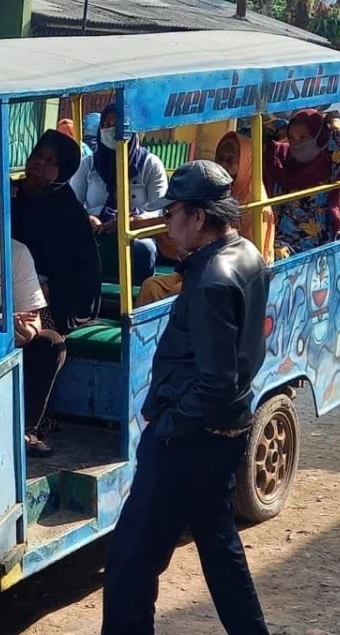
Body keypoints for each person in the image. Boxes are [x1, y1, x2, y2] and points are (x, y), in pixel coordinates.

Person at [102, 160, 272, 635]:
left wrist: (167, 425)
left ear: (198, 217)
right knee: (219, 544)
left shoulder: (212, 280)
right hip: (226, 430)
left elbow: (215, 380)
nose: (165, 224)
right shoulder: (247, 256)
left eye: (172, 212)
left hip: (188, 441)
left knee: (129, 563)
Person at [136, 130, 277, 307]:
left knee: (176, 294)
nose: (224, 166)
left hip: (230, 271)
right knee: (152, 286)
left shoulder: (256, 205)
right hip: (204, 264)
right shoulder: (213, 192)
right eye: (220, 159)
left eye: (231, 160)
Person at [0, 185, 66, 458]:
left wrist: (25, 331)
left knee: (50, 343)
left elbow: (32, 319)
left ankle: (26, 429)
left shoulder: (16, 252)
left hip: (1, 336)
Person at [11, 129, 102, 335]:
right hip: (14, 283)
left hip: (62, 298)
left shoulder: (68, 212)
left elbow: (67, 273)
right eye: (38, 156)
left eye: (50, 161)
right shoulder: (12, 194)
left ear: (63, 169)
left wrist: (35, 288)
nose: (40, 163)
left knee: (23, 329)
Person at [68, 103, 169, 285]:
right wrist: (88, 219)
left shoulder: (150, 164)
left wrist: (126, 223)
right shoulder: (88, 164)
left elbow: (158, 209)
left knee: (142, 250)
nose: (109, 130)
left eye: (116, 125)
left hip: (136, 233)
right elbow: (72, 204)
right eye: (105, 125)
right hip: (96, 232)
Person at [270, 108, 340, 255]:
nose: (296, 143)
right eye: (291, 138)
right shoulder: (284, 159)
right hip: (280, 239)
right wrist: (279, 126)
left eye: (303, 138)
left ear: (319, 136)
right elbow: (253, 135)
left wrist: (331, 119)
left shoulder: (331, 163)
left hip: (316, 243)